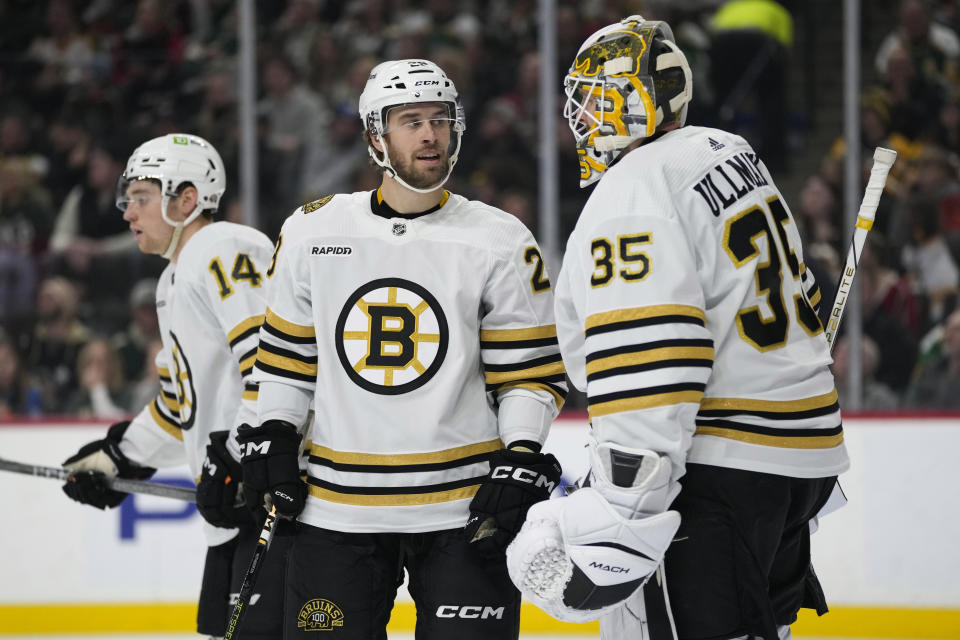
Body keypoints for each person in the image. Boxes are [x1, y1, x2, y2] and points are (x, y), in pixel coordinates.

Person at [507, 16, 849, 640]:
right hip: (798, 460)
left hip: (716, 470)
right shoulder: (731, 153)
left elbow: (654, 356)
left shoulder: (634, 190)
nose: (579, 117)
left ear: (633, 103)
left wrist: (624, 506)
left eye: (593, 99)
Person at [235, 58, 567, 639]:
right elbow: (288, 362)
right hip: (336, 509)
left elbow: (528, 374)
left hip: (465, 510)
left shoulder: (498, 238)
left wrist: (520, 453)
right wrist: (276, 434)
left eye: (440, 118)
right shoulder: (313, 231)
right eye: (410, 120)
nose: (430, 134)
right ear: (375, 136)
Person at [58, 133, 282, 639]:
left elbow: (272, 363)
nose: (127, 212)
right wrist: (120, 455)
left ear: (186, 199)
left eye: (141, 197)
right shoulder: (172, 280)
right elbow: (183, 403)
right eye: (127, 198)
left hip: (271, 508)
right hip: (234, 514)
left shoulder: (224, 246)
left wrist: (243, 455)